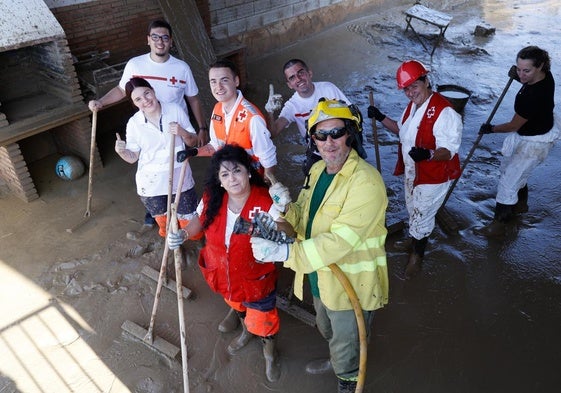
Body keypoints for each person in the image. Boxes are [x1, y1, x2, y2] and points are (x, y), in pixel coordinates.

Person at [250, 99, 389, 393]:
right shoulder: (316, 172)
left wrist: (286, 252)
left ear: (351, 134)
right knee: (327, 329)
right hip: (319, 276)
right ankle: (339, 359)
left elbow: (340, 241)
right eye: (320, 135)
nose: (329, 142)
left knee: (347, 341)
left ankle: (348, 379)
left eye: (336, 133)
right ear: (312, 138)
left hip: (353, 284)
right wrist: (287, 208)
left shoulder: (366, 182)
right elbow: (304, 217)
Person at [166, 144, 282, 383]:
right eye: (225, 174)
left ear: (248, 171)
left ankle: (269, 354)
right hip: (222, 272)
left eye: (236, 170)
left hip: (256, 278)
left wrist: (284, 210)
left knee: (264, 322)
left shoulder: (266, 202)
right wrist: (184, 234)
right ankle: (245, 331)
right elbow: (199, 220)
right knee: (237, 305)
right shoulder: (213, 197)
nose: (232, 179)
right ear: (219, 180)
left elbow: (287, 236)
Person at [88, 20, 208, 232]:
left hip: (175, 126)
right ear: (148, 40)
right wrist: (102, 102)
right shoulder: (135, 65)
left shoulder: (181, 68)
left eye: (164, 37)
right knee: (152, 171)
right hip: (148, 128)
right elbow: (121, 89)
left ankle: (184, 218)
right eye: (155, 37)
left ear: (171, 41)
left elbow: (194, 99)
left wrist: (201, 128)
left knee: (179, 176)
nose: (160, 41)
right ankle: (157, 212)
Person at [367, 60, 462, 279]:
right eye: (406, 89)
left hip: (432, 177)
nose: (410, 93)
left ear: (426, 81)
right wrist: (380, 117)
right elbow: (401, 130)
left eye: (414, 87)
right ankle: (413, 239)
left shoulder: (444, 112)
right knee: (414, 211)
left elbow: (448, 151)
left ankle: (417, 256)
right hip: (413, 172)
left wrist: (428, 154)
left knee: (422, 216)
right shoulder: (413, 107)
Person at [475, 46, 559, 236]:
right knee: (512, 170)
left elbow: (513, 125)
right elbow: (527, 78)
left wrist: (491, 129)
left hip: (535, 142)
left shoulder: (533, 97)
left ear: (540, 66)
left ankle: (498, 225)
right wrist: (519, 76)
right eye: (518, 69)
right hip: (538, 126)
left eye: (526, 70)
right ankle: (520, 202)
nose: (521, 74)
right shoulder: (546, 74)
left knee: (507, 183)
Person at [115, 77, 198, 239]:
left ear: (153, 91)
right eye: (138, 99)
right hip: (151, 184)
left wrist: (182, 132)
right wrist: (122, 152)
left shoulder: (174, 110)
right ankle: (175, 250)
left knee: (190, 226)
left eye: (147, 93)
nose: (145, 100)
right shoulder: (134, 123)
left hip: (180, 177)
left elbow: (193, 140)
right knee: (166, 226)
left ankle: (193, 242)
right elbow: (132, 158)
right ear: (134, 103)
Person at [264, 58, 365, 174]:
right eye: (292, 78)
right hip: (318, 151)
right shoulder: (292, 106)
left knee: (357, 175)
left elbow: (354, 115)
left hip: (341, 146)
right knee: (312, 180)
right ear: (289, 85)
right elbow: (273, 132)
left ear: (309, 73)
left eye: (301, 73)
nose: (298, 79)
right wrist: (269, 112)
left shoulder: (328, 89)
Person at [183, 59, 277, 182]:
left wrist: (267, 188)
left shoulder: (252, 118)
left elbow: (269, 161)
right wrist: (193, 152)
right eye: (213, 82)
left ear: (236, 81)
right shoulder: (217, 108)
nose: (218, 87)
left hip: (251, 180)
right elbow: (216, 146)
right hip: (229, 177)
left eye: (224, 80)